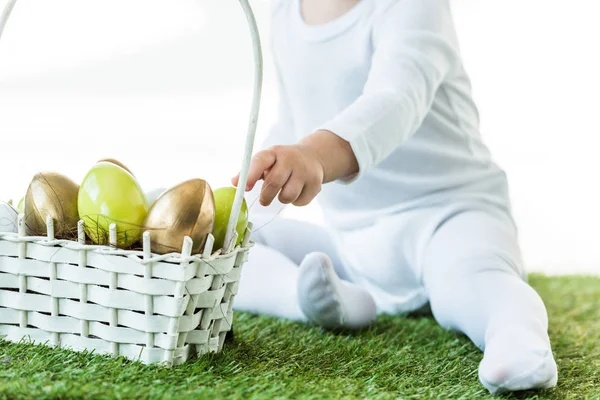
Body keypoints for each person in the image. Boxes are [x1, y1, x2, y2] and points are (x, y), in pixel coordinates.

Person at [231, 0, 558, 394]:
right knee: (237, 247)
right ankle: (309, 300)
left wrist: (314, 155)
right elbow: (293, 118)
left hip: (449, 216)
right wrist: (254, 190)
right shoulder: (285, 13)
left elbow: (397, 98)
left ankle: (516, 337)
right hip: (353, 244)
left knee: (472, 281)